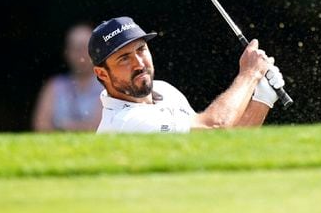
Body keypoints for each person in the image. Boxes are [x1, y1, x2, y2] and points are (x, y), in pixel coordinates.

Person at [88, 16, 284, 133]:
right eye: (124, 58)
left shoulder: (165, 90)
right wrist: (250, 74)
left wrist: (263, 97)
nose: (138, 63)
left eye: (141, 49)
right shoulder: (125, 122)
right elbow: (215, 126)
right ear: (101, 73)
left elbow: (222, 144)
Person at [32, 23, 103, 131]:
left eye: (86, 48)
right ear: (67, 52)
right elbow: (40, 125)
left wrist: (62, 126)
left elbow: (101, 126)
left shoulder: (108, 87)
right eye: (76, 49)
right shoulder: (54, 86)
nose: (81, 55)